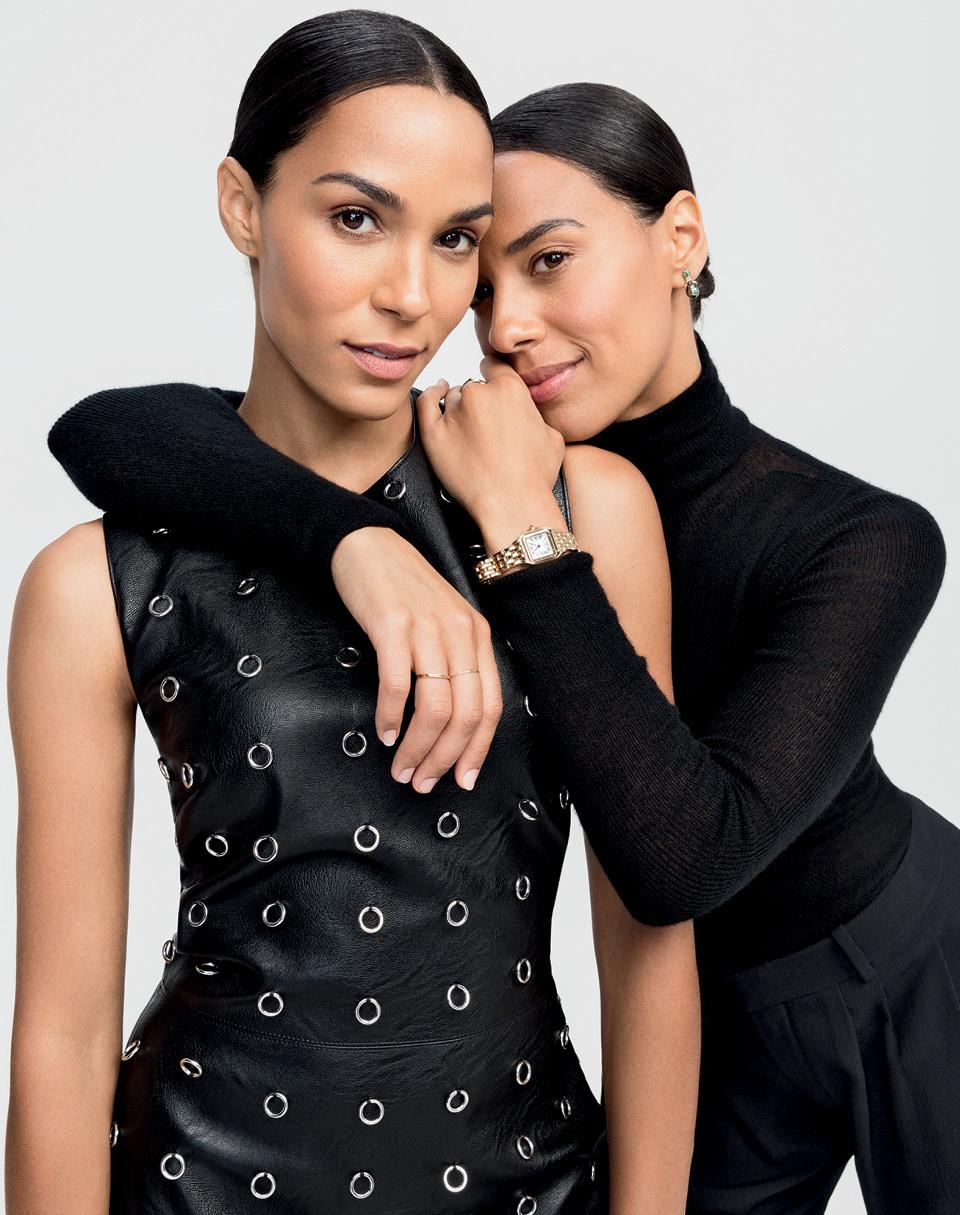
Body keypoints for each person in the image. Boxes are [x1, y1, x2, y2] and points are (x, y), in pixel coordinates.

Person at [46, 75, 955, 1214]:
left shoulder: (854, 537)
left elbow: (679, 862)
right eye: (484, 279)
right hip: (703, 1013)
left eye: (551, 260)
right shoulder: (493, 467)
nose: (507, 326)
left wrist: (529, 533)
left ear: (680, 236)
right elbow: (113, 428)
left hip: (897, 959)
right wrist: (354, 539)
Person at [7, 17, 702, 1215]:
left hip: (529, 1185)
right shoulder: (94, 583)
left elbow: (648, 946)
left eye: (455, 240)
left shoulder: (576, 512)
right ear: (243, 207)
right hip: (197, 1181)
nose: (410, 296)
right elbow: (60, 1035)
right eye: (355, 218)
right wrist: (356, 544)